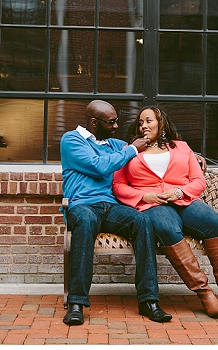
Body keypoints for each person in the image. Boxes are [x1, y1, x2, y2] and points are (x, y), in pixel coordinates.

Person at [112, 105, 218, 317]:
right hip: (152, 205)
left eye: (148, 121)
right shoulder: (130, 151)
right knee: (167, 229)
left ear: (160, 123)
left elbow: (198, 181)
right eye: (140, 122)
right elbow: (118, 185)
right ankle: (204, 293)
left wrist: (179, 192)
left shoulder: (181, 147)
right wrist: (144, 196)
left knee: (215, 223)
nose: (143, 126)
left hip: (184, 200)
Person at [59, 100, 172, 326]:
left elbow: (150, 148)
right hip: (82, 205)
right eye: (111, 122)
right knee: (85, 222)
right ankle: (76, 304)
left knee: (142, 221)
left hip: (111, 207)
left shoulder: (112, 144)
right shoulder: (71, 140)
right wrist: (130, 149)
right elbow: (99, 165)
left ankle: (148, 301)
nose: (116, 126)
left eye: (116, 121)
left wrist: (192, 155)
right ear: (94, 122)